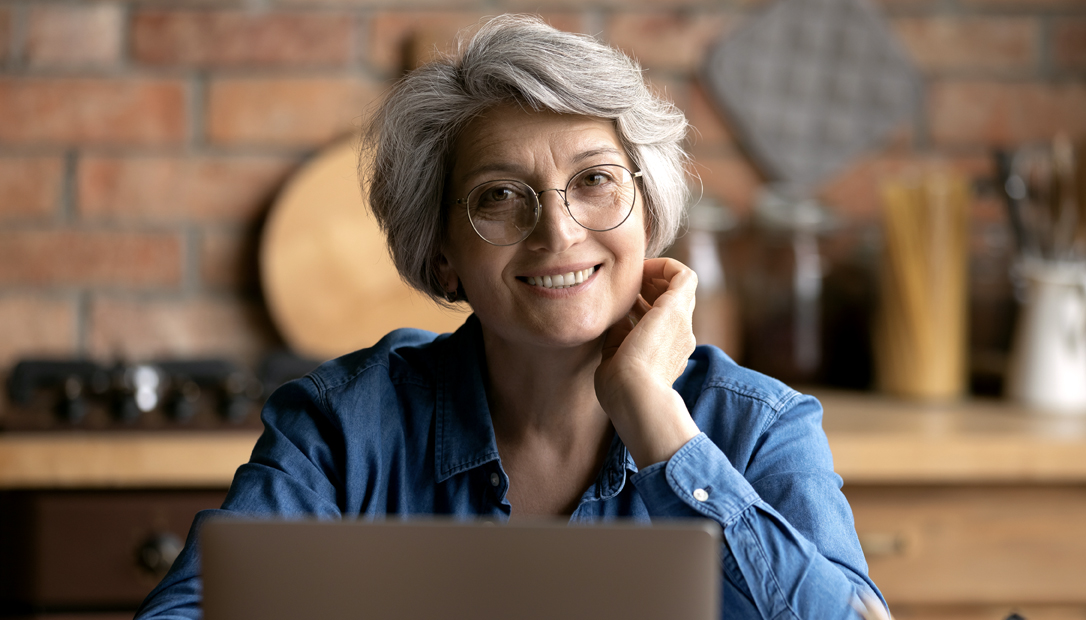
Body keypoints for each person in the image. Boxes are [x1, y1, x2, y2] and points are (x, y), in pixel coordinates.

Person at [136, 14, 883, 619]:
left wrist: (659, 426)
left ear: (648, 209)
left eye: (594, 180)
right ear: (443, 257)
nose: (558, 232)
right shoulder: (342, 429)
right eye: (499, 195)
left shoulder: (759, 427)